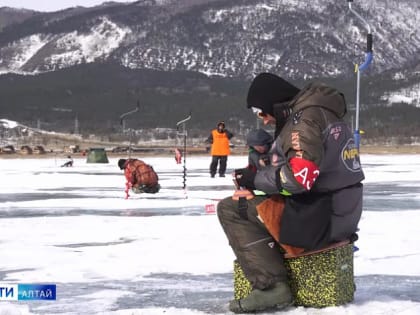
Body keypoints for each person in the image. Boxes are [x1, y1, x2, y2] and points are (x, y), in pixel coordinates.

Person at [217, 72, 364, 313]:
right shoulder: (324, 112)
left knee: (232, 209)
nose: (263, 120)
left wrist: (253, 179)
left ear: (274, 103)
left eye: (261, 112)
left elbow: (299, 178)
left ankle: (271, 287)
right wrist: (262, 188)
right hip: (341, 211)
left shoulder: (304, 121)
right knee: (258, 203)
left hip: (322, 217)